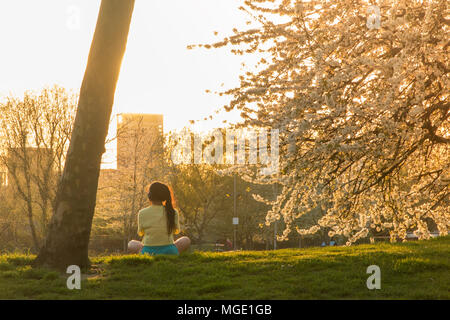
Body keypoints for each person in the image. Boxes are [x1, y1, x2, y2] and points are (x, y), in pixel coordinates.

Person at [128, 181, 190, 255]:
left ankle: (143, 253)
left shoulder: (142, 213)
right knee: (186, 240)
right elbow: (176, 231)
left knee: (131, 243)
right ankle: (173, 253)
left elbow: (140, 233)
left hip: (148, 251)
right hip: (170, 251)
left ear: (149, 196)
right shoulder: (173, 212)